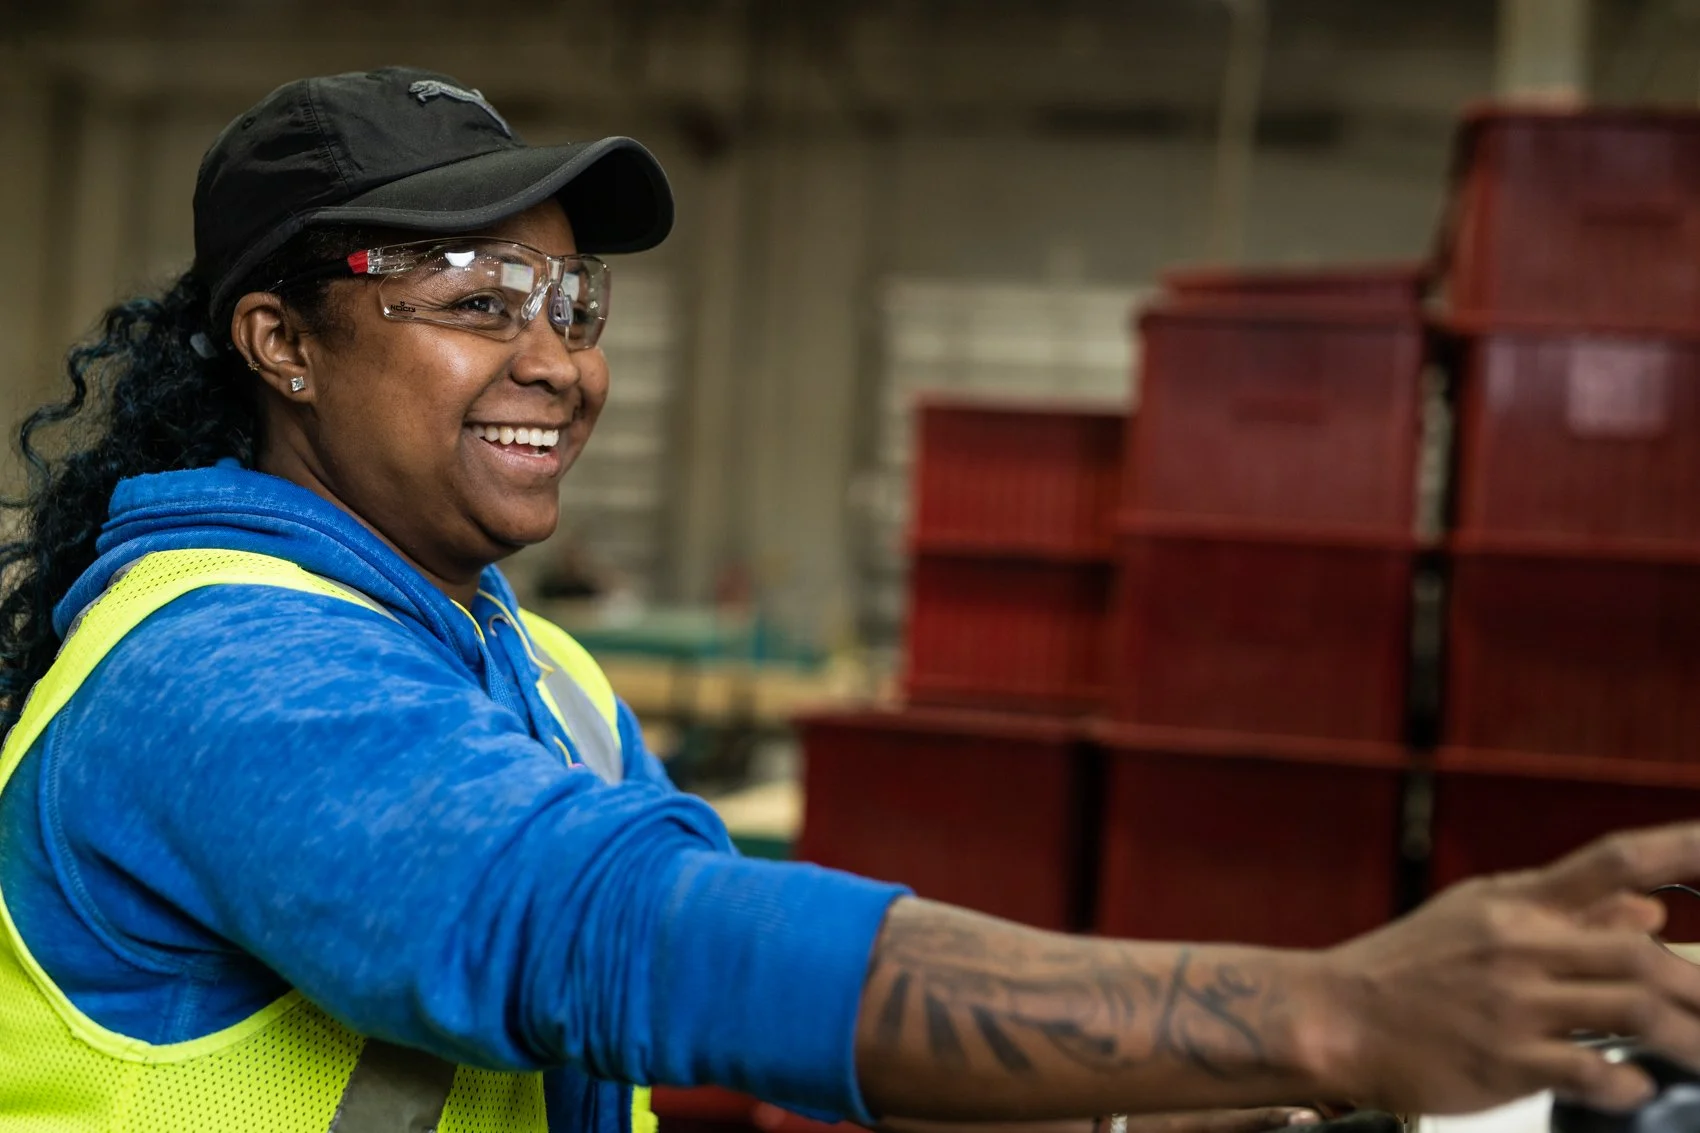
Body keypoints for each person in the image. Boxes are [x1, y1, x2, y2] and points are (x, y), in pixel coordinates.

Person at [1, 65, 1699, 1133]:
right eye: (473, 296)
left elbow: (724, 972)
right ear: (281, 344)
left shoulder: (542, 672)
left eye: (575, 302)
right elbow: (622, 947)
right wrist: (1334, 1009)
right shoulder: (220, 670)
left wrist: (1185, 1079)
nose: (553, 358)